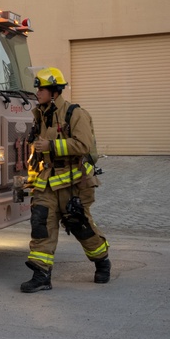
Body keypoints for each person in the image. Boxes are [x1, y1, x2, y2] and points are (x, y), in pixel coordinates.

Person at [21, 66, 110, 293]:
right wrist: (30, 179)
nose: (37, 92)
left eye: (41, 88)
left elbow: (84, 146)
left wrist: (51, 145)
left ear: (54, 91)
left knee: (80, 226)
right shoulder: (40, 115)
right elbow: (36, 156)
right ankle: (41, 275)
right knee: (41, 224)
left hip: (74, 183)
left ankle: (102, 261)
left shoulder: (75, 114)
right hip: (48, 182)